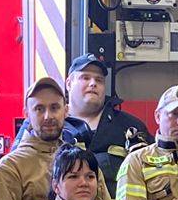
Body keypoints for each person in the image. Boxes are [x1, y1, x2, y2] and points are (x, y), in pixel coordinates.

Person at [62, 55, 149, 184]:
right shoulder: (51, 126)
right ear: (69, 83)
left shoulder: (130, 127)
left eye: (99, 80)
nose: (93, 83)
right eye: (85, 78)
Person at [0, 77, 68, 200]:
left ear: (66, 111)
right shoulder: (9, 168)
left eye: (54, 108)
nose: (48, 116)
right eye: (39, 109)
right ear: (26, 114)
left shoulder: (79, 162)